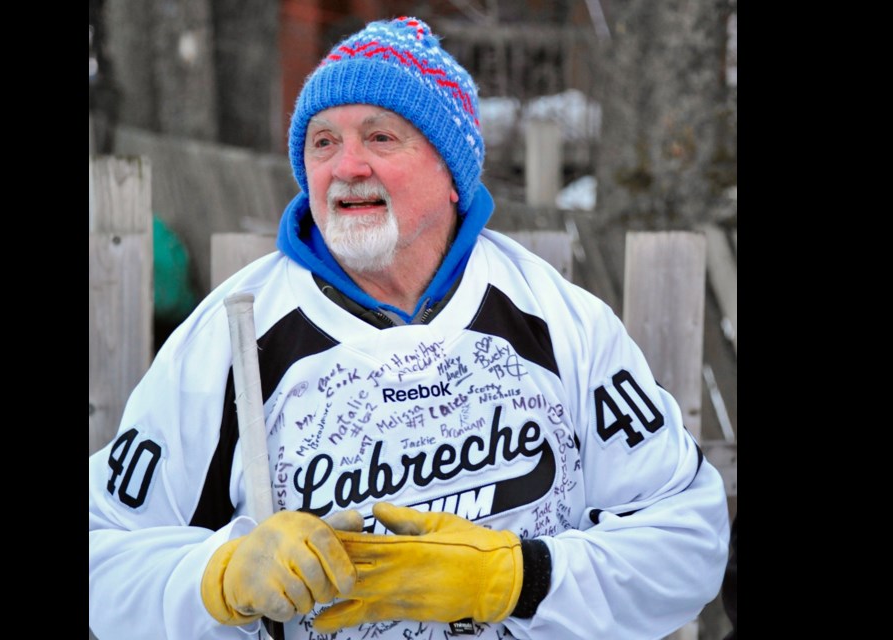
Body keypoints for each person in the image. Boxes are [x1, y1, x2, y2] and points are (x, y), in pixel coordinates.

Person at [89, 16, 730, 640]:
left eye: (381, 137)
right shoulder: (229, 340)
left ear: (452, 174)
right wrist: (218, 580)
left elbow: (686, 536)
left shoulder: (557, 318)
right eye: (323, 141)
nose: (347, 166)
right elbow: (104, 558)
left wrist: (518, 580)